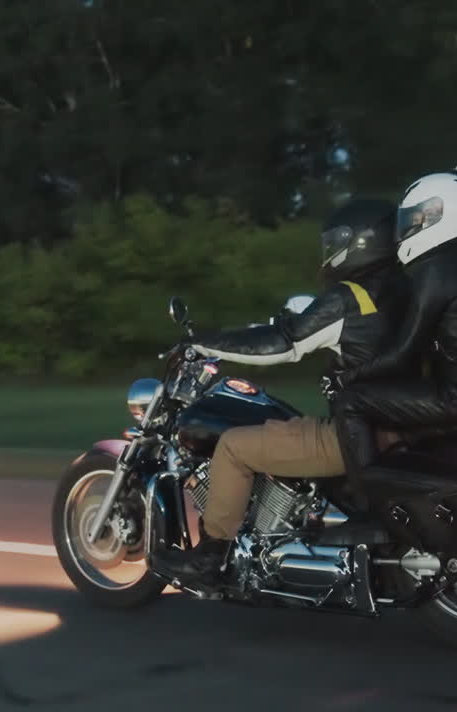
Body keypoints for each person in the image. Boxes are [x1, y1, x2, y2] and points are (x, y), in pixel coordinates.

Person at [152, 198, 408, 583]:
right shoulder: (395, 293)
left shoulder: (349, 297)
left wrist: (203, 343)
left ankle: (211, 556)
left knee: (234, 446)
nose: (329, 250)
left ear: (360, 243)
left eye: (336, 241)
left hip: (354, 433)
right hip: (393, 422)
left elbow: (283, 344)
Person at [333, 170, 457, 478]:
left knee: (352, 402)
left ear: (445, 214)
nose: (409, 227)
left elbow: (404, 351)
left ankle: (372, 487)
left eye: (419, 217)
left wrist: (347, 377)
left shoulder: (436, 270)